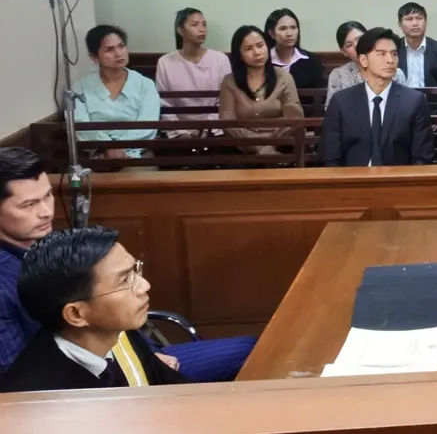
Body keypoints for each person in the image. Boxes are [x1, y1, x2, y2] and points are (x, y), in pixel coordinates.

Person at [0, 148, 256, 382]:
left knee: (256, 352)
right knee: (249, 354)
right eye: (29, 205)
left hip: (124, 349)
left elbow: (107, 315)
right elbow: (15, 379)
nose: (46, 212)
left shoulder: (50, 244)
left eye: (47, 196)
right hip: (89, 376)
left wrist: (147, 352)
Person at [0, 226, 189, 392]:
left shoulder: (118, 335)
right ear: (76, 314)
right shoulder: (35, 396)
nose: (144, 286)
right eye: (124, 280)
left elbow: (176, 391)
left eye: (135, 271)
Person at [322, 28, 434, 167]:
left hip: (398, 177)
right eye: (381, 54)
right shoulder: (341, 102)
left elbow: (422, 157)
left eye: (394, 54)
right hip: (353, 178)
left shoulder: (414, 101)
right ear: (364, 60)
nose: (390, 60)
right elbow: (331, 157)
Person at [71, 25, 161, 164]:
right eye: (109, 49)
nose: (118, 54)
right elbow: (80, 125)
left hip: (135, 153)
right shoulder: (80, 87)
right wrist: (107, 147)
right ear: (94, 57)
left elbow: (148, 124)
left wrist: (120, 147)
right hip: (96, 155)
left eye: (121, 46)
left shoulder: (145, 84)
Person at [219, 25, 304, 155]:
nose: (257, 52)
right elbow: (228, 122)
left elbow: (294, 118)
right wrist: (258, 146)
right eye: (248, 48)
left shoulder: (283, 77)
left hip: (281, 146)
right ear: (240, 55)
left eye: (260, 45)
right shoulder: (230, 81)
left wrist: (271, 144)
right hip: (243, 148)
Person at [155, 7, 233, 137]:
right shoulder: (165, 62)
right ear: (180, 30)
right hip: (177, 133)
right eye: (195, 25)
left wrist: (206, 130)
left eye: (204, 24)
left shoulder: (220, 59)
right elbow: (165, 104)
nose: (202, 29)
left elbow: (225, 102)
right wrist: (181, 133)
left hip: (214, 130)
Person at [325, 21, 405, 108]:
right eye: (349, 45)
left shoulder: (395, 73)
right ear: (344, 52)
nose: (356, 46)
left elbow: (405, 106)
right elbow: (332, 109)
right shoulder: (338, 75)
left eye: (359, 39)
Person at [264, 8, 327, 114]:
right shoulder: (264, 61)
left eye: (293, 27)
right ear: (272, 33)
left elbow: (321, 98)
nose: (289, 33)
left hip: (305, 119)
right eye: (283, 28)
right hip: (270, 118)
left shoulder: (311, 61)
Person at [397, 2, 437, 89]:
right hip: (400, 97)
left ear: (426, 22)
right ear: (400, 24)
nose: (415, 23)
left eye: (419, 18)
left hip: (432, 98)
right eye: (409, 19)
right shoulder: (394, 49)